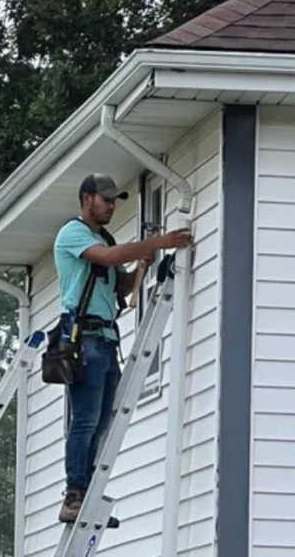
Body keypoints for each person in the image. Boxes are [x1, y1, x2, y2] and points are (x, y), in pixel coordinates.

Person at [53, 173, 193, 526]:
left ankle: (87, 492)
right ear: (87, 199)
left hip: (105, 339)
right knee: (84, 420)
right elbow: (108, 257)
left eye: (114, 200)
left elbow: (122, 284)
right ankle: (74, 495)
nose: (112, 206)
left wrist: (143, 265)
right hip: (83, 339)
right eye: (106, 199)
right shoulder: (73, 234)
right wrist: (155, 243)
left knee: (101, 422)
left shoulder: (106, 239)